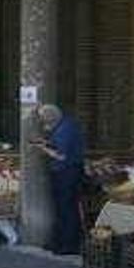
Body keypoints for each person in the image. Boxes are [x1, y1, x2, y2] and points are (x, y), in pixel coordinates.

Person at [31, 104, 85, 255]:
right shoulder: (65, 125)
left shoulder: (64, 130)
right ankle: (59, 241)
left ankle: (69, 244)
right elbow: (58, 146)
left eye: (43, 120)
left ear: (50, 119)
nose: (42, 124)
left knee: (67, 208)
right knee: (61, 208)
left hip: (67, 172)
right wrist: (46, 143)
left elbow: (61, 155)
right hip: (65, 171)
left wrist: (43, 149)